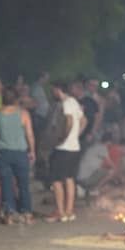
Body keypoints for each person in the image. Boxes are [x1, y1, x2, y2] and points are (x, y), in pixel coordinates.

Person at [0, 86, 36, 225]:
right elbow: (30, 134)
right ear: (16, 99)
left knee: (6, 184)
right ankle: (27, 213)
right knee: (23, 184)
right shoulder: (24, 114)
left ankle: (9, 213)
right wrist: (32, 150)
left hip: (3, 152)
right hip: (20, 152)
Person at [46, 81, 86, 223]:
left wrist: (64, 137)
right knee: (69, 179)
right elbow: (84, 120)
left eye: (53, 90)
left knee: (56, 180)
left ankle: (60, 211)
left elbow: (69, 120)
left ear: (58, 89)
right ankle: (69, 211)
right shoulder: (74, 102)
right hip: (74, 147)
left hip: (63, 148)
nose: (52, 93)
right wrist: (76, 136)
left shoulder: (66, 103)